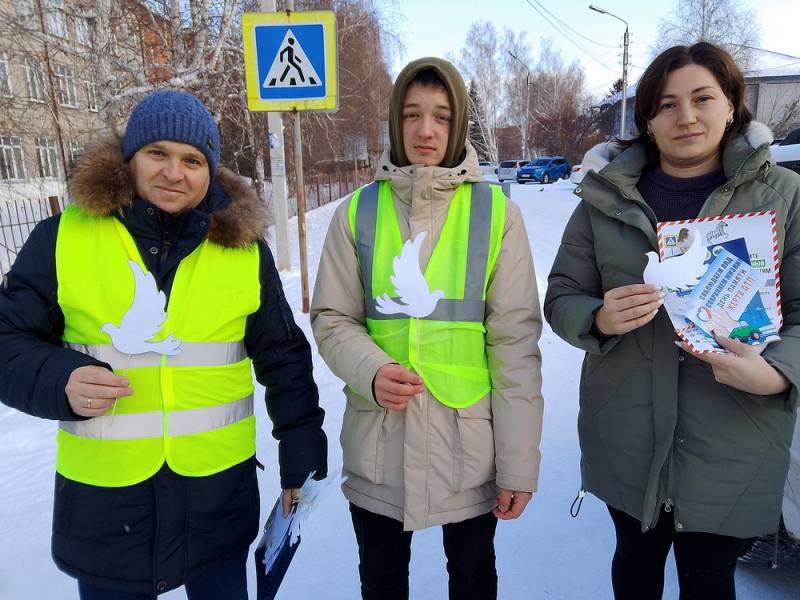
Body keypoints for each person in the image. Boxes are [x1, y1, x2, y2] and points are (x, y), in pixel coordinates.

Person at [0, 90, 327, 599]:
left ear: (210, 171)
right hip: (108, 509)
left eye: (192, 160)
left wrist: (301, 457)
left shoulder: (243, 252)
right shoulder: (62, 238)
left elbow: (284, 358)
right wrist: (58, 379)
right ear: (130, 158)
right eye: (158, 153)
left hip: (216, 502)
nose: (174, 173)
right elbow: (8, 339)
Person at [544, 42, 800, 600]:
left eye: (702, 98)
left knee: (709, 580)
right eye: (666, 104)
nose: (686, 116)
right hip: (626, 430)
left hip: (733, 433)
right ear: (647, 121)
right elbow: (561, 295)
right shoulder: (604, 201)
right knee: (634, 563)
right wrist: (598, 317)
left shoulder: (783, 196)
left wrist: (778, 373)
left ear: (731, 105)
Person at [310, 57, 543, 600]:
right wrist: (372, 371)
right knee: (382, 583)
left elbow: (515, 344)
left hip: (469, 450)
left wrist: (517, 466)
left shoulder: (496, 214)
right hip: (379, 445)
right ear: (396, 121)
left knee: (473, 580)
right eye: (412, 114)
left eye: (441, 116)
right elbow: (332, 317)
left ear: (458, 124)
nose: (425, 130)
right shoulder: (356, 212)